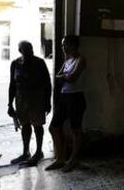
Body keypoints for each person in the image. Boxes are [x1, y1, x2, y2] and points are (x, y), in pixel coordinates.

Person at [45, 35, 86, 172]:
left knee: (76, 129)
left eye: (64, 45)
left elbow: (73, 78)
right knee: (54, 127)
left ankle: (73, 160)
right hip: (64, 96)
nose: (62, 47)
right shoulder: (68, 60)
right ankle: (61, 159)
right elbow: (57, 77)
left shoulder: (81, 59)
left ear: (72, 45)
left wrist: (64, 77)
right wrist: (64, 77)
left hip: (76, 97)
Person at [7, 40, 52, 166]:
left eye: (29, 49)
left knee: (37, 125)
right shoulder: (15, 63)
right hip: (21, 98)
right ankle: (26, 152)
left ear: (32, 49)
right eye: (24, 49)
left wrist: (47, 102)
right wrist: (10, 104)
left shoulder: (39, 62)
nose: (27, 51)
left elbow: (47, 83)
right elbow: (12, 85)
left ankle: (38, 152)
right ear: (20, 50)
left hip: (37, 98)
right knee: (25, 125)